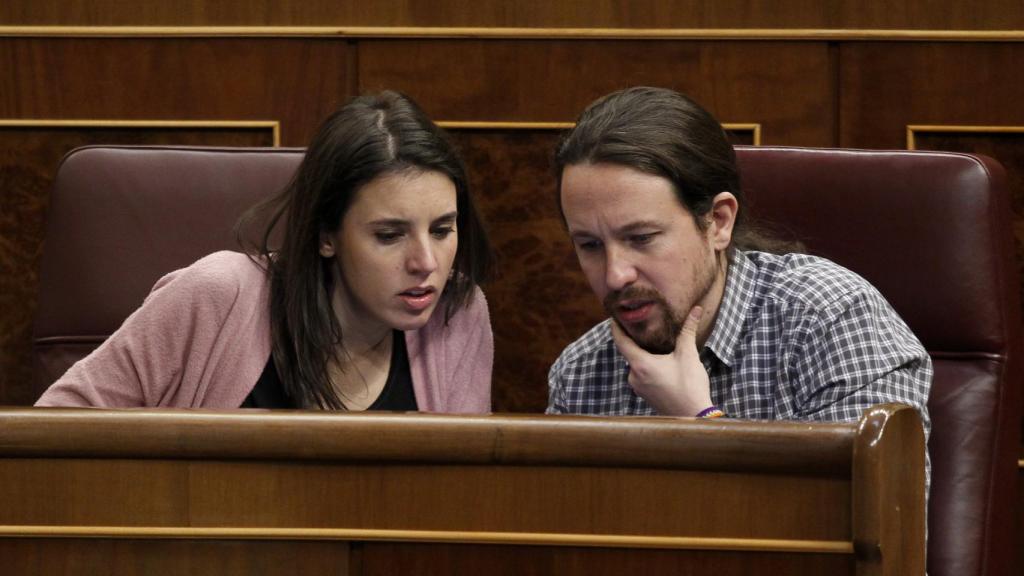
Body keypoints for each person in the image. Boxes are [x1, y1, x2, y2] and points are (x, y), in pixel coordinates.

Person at [36, 91, 494, 412]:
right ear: (325, 235)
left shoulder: (458, 314)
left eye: (442, 229)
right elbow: (58, 428)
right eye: (390, 235)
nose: (426, 263)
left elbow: (462, 496)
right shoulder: (218, 294)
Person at [546, 86, 931, 438]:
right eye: (591, 245)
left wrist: (697, 418)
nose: (615, 276)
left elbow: (871, 508)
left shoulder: (829, 318)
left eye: (641, 239)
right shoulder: (581, 373)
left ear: (718, 221)